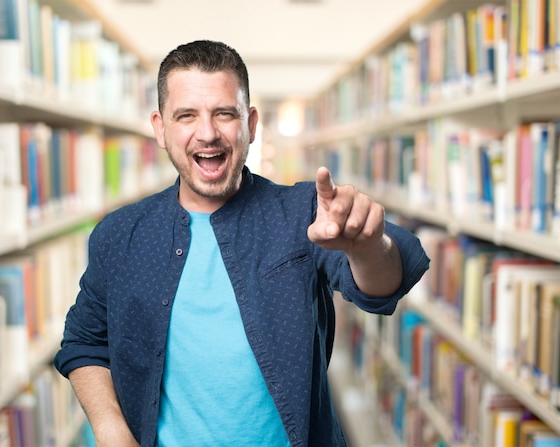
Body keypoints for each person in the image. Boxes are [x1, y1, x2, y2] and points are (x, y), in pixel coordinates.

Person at [54, 40, 429, 447]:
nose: (208, 133)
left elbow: (385, 285)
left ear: (250, 124)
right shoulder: (119, 235)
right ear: (160, 128)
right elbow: (84, 342)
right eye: (186, 116)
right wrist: (110, 428)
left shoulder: (302, 212)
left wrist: (368, 246)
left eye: (224, 113)